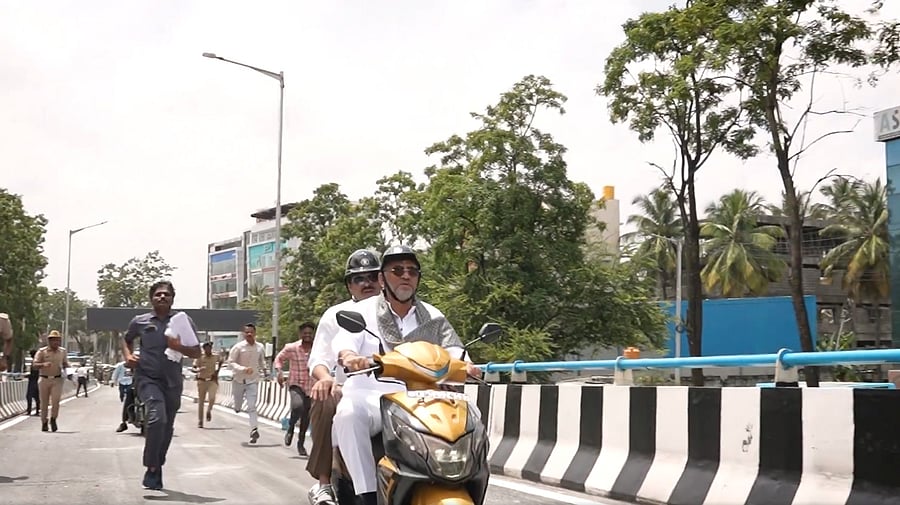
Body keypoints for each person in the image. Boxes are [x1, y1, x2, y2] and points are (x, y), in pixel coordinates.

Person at [332, 245, 482, 505]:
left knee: (474, 415)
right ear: (382, 279)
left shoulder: (433, 316)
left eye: (412, 271)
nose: (405, 276)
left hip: (423, 397)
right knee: (348, 414)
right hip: (372, 395)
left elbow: (456, 352)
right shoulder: (364, 313)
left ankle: (468, 482)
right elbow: (346, 342)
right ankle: (366, 494)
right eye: (397, 270)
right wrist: (349, 357)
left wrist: (469, 366)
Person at [305, 248, 382, 505]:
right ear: (349, 284)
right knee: (327, 396)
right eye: (359, 278)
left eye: (372, 276)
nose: (367, 283)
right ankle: (324, 483)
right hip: (348, 391)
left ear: (382, 279)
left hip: (395, 392)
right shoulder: (335, 315)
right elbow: (318, 359)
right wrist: (326, 378)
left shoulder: (399, 311)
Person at [121, 281, 200, 490]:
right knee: (157, 418)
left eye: (166, 294)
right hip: (147, 379)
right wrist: (129, 356)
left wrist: (178, 346)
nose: (162, 297)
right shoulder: (140, 321)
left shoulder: (182, 321)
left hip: (172, 382)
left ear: (173, 298)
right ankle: (152, 466)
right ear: (151, 298)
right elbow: (127, 339)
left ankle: (157, 465)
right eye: (158, 294)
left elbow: (197, 352)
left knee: (166, 427)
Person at [274, 322, 315, 456]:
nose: (307, 336)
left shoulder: (318, 348)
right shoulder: (291, 348)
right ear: (300, 334)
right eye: (305, 333)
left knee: (306, 417)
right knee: (298, 406)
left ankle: (301, 443)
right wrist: (279, 371)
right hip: (295, 383)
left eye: (310, 333)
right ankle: (291, 427)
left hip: (311, 386)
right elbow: (279, 359)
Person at [227, 323, 267, 444]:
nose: (249, 334)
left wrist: (265, 370)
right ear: (244, 334)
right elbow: (230, 362)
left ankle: (254, 429)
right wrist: (243, 369)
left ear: (255, 333)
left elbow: (262, 361)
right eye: (247, 332)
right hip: (239, 380)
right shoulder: (238, 347)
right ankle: (237, 407)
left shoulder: (260, 347)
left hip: (253, 380)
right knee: (238, 405)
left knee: (252, 406)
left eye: (251, 332)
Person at [33, 330, 71, 432]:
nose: (56, 343)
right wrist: (43, 364)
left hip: (57, 379)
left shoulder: (62, 351)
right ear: (49, 341)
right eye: (54, 341)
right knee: (44, 403)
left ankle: (53, 419)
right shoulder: (42, 351)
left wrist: (67, 366)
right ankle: (44, 422)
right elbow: (35, 364)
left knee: (56, 401)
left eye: (58, 340)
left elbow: (65, 363)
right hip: (44, 379)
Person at [193, 341, 222, 428]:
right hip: (202, 381)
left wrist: (217, 372)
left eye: (209, 348)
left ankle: (209, 410)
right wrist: (199, 369)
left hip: (212, 381)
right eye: (206, 348)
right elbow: (194, 367)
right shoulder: (200, 357)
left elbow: (221, 361)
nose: (208, 350)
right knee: (201, 402)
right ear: (204, 349)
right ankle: (200, 421)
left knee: (212, 398)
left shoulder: (215, 356)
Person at [112, 356, 136, 433]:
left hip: (150, 386)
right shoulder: (125, 365)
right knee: (128, 396)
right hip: (133, 385)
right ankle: (124, 421)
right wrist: (113, 381)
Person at [25, 349, 40, 416]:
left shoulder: (35, 362)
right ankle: (37, 411)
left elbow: (35, 373)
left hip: (33, 381)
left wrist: (28, 376)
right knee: (37, 397)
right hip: (37, 381)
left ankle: (29, 410)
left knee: (29, 396)